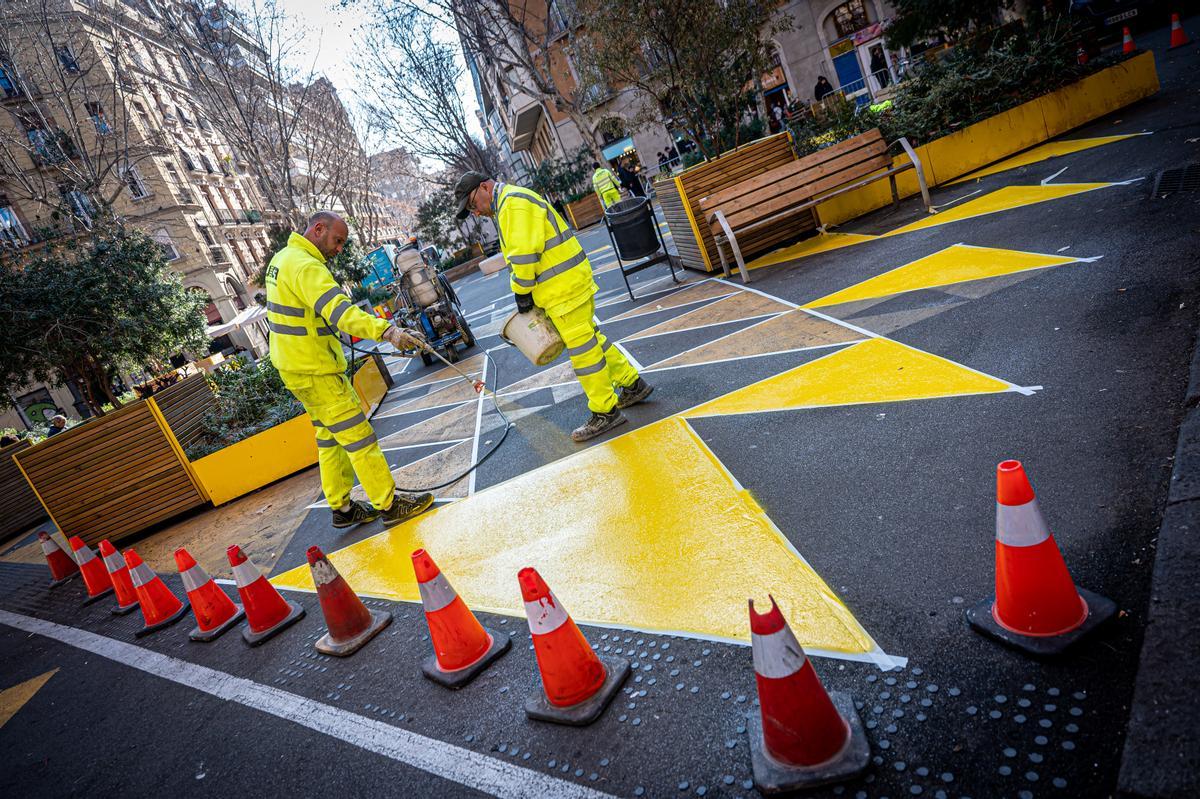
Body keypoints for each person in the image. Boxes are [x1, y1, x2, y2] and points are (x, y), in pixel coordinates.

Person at [265, 210, 434, 529]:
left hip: (295, 369)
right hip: (315, 369)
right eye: (337, 240)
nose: (339, 248)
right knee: (359, 437)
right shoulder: (305, 266)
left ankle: (341, 507)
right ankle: (388, 503)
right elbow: (342, 313)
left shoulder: (283, 259)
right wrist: (387, 331)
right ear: (318, 230)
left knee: (329, 437)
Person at [454, 172, 653, 442]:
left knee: (583, 353)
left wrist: (521, 292)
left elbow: (524, 255)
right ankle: (632, 384)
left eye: (472, 204)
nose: (474, 211)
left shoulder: (512, 203)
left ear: (484, 187)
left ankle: (605, 411)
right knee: (591, 341)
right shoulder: (511, 202)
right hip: (565, 285)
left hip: (563, 290)